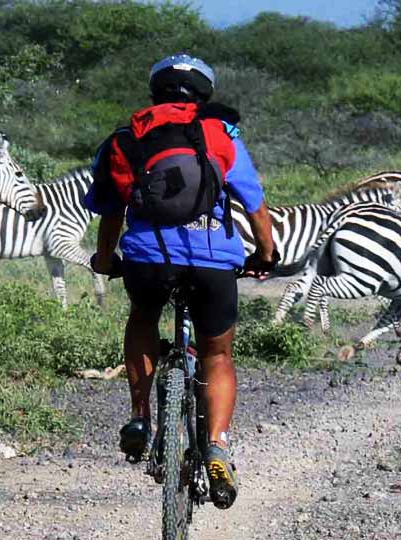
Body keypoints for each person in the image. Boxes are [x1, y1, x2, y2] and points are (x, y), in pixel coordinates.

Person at [85, 53, 277, 510]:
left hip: (149, 258)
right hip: (214, 259)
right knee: (217, 353)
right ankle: (216, 446)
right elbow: (253, 202)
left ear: (155, 92)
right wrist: (266, 254)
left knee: (143, 317)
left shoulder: (127, 137)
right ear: (204, 94)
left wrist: (107, 258)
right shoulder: (221, 133)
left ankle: (140, 417)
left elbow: (112, 211)